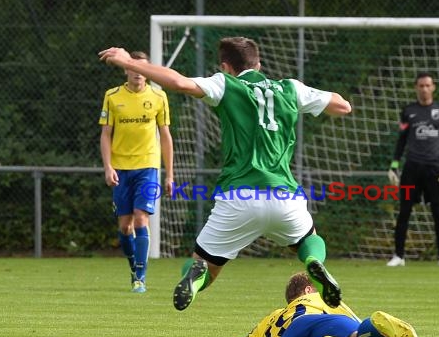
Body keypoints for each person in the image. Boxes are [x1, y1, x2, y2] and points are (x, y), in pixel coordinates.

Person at [99, 37, 351, 309]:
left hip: (237, 197)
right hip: (285, 197)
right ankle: (314, 263)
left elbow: (179, 82)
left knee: (202, 263)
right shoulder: (290, 88)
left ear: (226, 66)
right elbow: (342, 106)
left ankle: (194, 280)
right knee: (309, 240)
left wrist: (127, 62)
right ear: (259, 63)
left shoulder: (224, 83)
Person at [213, 272, 420, 337]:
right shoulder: (322, 299)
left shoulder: (271, 319)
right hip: (316, 323)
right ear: (309, 289)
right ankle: (373, 329)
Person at [99, 50, 174, 293]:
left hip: (148, 167)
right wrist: (108, 166)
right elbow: (106, 134)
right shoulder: (112, 96)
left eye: (143, 68)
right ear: (126, 69)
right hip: (121, 168)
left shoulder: (159, 97)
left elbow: (165, 136)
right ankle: (134, 267)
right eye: (133, 67)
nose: (138, 73)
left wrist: (169, 173)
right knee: (124, 226)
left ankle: (140, 277)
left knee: (142, 217)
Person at [386, 72, 439, 268]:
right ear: (416, 88)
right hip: (411, 169)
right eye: (421, 85)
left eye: (428, 85)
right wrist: (394, 164)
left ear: (433, 87)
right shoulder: (409, 111)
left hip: (435, 169)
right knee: (404, 211)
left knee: (438, 212)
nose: (424, 89)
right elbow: (401, 140)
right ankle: (398, 256)